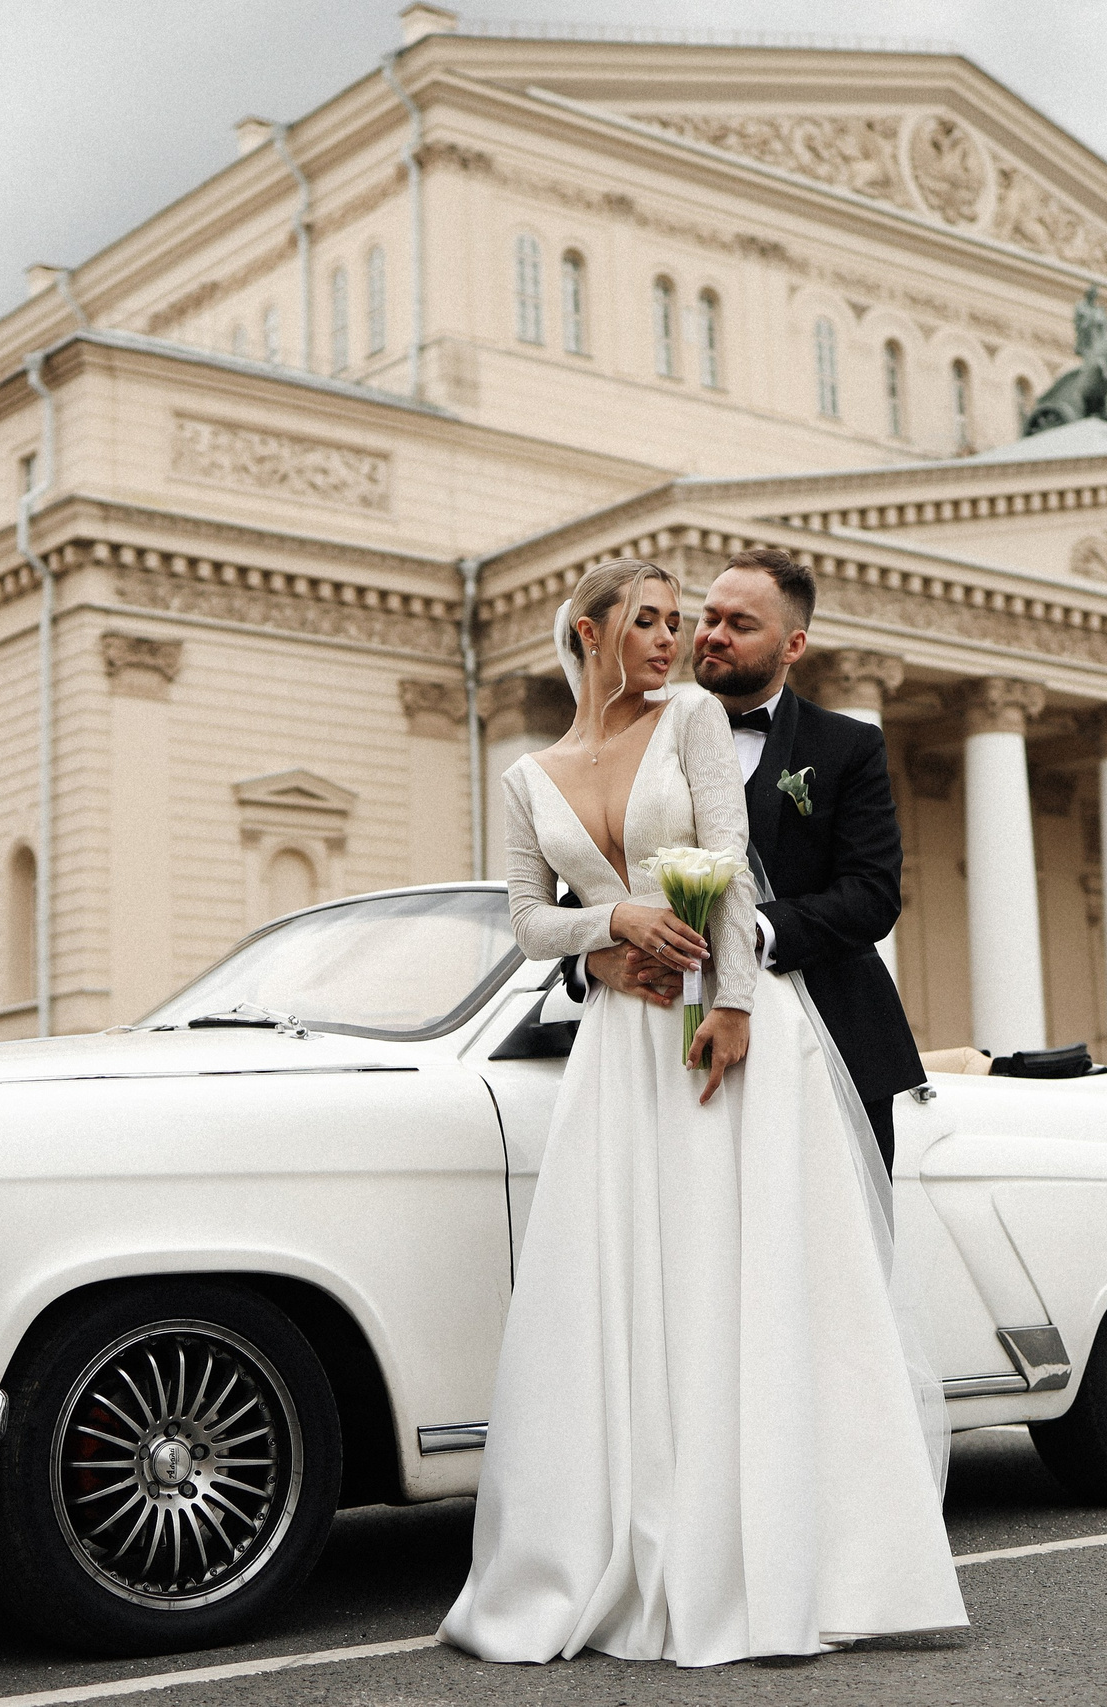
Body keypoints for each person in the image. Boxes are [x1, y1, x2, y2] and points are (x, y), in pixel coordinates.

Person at [440, 557, 964, 1668]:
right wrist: (612, 937)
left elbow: (821, 888)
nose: (695, 638)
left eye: (719, 622)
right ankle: (641, 1538)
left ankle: (820, 1548)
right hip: (627, 1050)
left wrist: (734, 987)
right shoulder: (536, 771)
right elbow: (534, 917)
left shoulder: (829, 745)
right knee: (638, 1288)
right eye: (676, 620)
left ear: (790, 643)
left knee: (797, 1288)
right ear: (588, 634)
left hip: (791, 1032)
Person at [572, 547, 922, 1173]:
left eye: (741, 624)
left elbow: (872, 895)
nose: (712, 636)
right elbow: (582, 883)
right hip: (663, 1052)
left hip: (828, 1040)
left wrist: (743, 933)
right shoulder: (629, 739)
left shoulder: (848, 746)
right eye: (709, 617)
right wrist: (594, 960)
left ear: (792, 646)